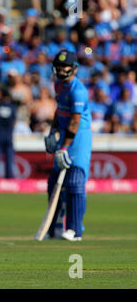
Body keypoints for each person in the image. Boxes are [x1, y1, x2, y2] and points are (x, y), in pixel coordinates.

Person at [44, 50, 92, 242]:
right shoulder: (58, 85)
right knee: (54, 183)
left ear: (74, 68)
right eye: (59, 66)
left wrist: (64, 147)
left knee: (74, 182)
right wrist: (52, 131)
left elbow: (74, 120)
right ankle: (53, 228)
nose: (61, 69)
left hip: (78, 137)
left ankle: (74, 230)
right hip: (64, 135)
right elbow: (59, 110)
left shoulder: (77, 90)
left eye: (65, 66)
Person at [0, 89, 17, 179]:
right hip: (8, 136)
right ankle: (9, 178)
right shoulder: (12, 107)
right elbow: (14, 121)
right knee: (9, 159)